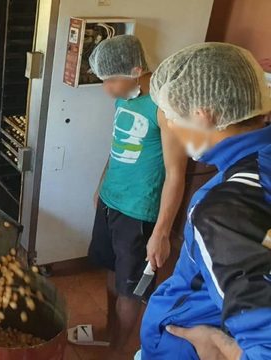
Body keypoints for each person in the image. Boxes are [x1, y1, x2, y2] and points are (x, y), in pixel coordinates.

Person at [140, 43, 271, 359]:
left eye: (172, 116)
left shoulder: (222, 212)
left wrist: (218, 344)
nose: (170, 125)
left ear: (203, 116)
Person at [71, 35, 187, 355]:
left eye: (110, 81)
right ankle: (111, 332)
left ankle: (118, 350)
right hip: (112, 201)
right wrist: (101, 184)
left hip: (139, 211)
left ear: (136, 70)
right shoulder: (125, 96)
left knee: (131, 288)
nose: (106, 88)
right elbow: (117, 146)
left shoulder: (164, 109)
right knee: (111, 270)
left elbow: (176, 174)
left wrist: (161, 233)